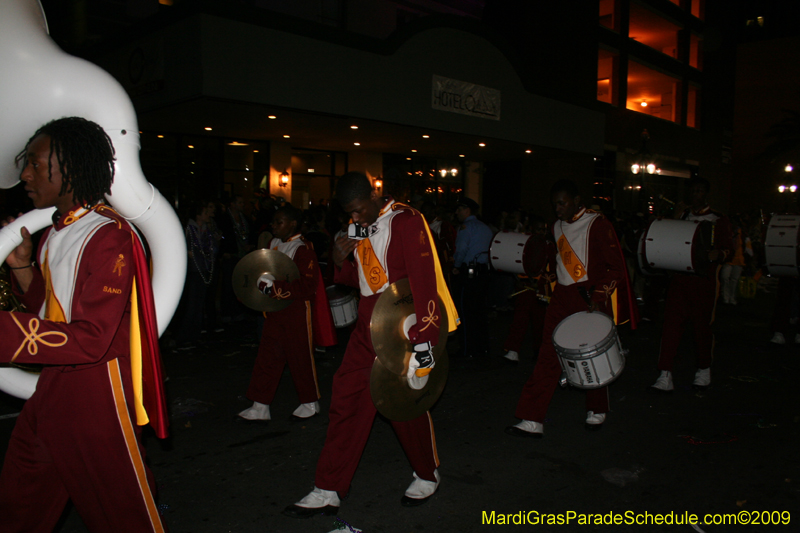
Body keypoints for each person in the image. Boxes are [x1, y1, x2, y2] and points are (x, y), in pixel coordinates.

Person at [0, 117, 168, 531]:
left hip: (99, 399)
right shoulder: (56, 233)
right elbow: (54, 315)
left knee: (126, 518)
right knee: (18, 506)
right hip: (54, 390)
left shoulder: (110, 233)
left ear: (71, 168)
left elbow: (91, 338)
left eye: (36, 164)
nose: (24, 174)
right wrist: (23, 269)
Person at [283, 172, 458, 517]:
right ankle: (329, 486)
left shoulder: (406, 221)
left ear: (374, 196)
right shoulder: (357, 226)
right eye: (350, 213)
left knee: (402, 404)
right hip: (368, 325)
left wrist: (425, 339)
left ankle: (426, 472)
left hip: (404, 325)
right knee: (346, 398)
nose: (356, 218)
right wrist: (337, 260)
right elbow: (358, 279)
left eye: (360, 210)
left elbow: (423, 281)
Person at [506, 179, 636, 436]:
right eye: (554, 204)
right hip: (562, 298)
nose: (557, 209)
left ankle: (597, 408)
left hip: (589, 296)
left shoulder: (597, 224)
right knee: (547, 353)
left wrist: (599, 296)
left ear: (577, 200)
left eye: (562, 203)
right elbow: (559, 263)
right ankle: (532, 418)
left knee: (591, 353)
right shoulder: (556, 227)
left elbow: (616, 268)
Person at [238, 204, 336, 421]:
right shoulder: (274, 244)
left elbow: (308, 286)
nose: (274, 226)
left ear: (292, 224)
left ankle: (310, 403)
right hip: (275, 310)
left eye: (279, 222)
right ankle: (260, 405)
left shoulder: (303, 248)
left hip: (297, 311)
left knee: (299, 357)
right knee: (267, 355)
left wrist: (274, 289)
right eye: (273, 222)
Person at [650, 177, 733, 392]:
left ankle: (704, 368)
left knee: (702, 328)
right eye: (693, 191)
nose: (696, 195)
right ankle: (665, 373)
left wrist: (719, 253)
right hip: (680, 280)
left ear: (706, 194)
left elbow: (729, 249)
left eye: (699, 191)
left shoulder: (718, 219)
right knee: (670, 327)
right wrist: (674, 219)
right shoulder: (682, 215)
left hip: (703, 282)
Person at [501, 215, 553, 363]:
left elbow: (553, 269)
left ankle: (539, 351)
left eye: (544, 230)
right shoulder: (523, 243)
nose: (541, 233)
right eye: (538, 229)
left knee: (540, 322)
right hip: (525, 287)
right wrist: (520, 279)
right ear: (531, 229)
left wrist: (543, 282)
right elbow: (514, 263)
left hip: (541, 289)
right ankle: (513, 350)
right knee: (520, 319)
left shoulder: (549, 246)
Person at [451, 197, 494, 358]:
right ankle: (482, 347)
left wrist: (455, 266)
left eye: (459, 209)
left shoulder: (465, 227)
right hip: (483, 273)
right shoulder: (485, 228)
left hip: (468, 273)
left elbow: (461, 249)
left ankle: (467, 349)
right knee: (479, 312)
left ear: (467, 211)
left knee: (465, 311)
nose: (457, 213)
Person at [172, 199, 217, 348]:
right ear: (198, 215)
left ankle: (194, 335)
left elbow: (211, 248)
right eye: (205, 212)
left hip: (203, 269)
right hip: (192, 270)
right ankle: (183, 336)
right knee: (191, 305)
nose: (208, 215)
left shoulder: (206, 229)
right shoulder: (188, 228)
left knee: (198, 304)